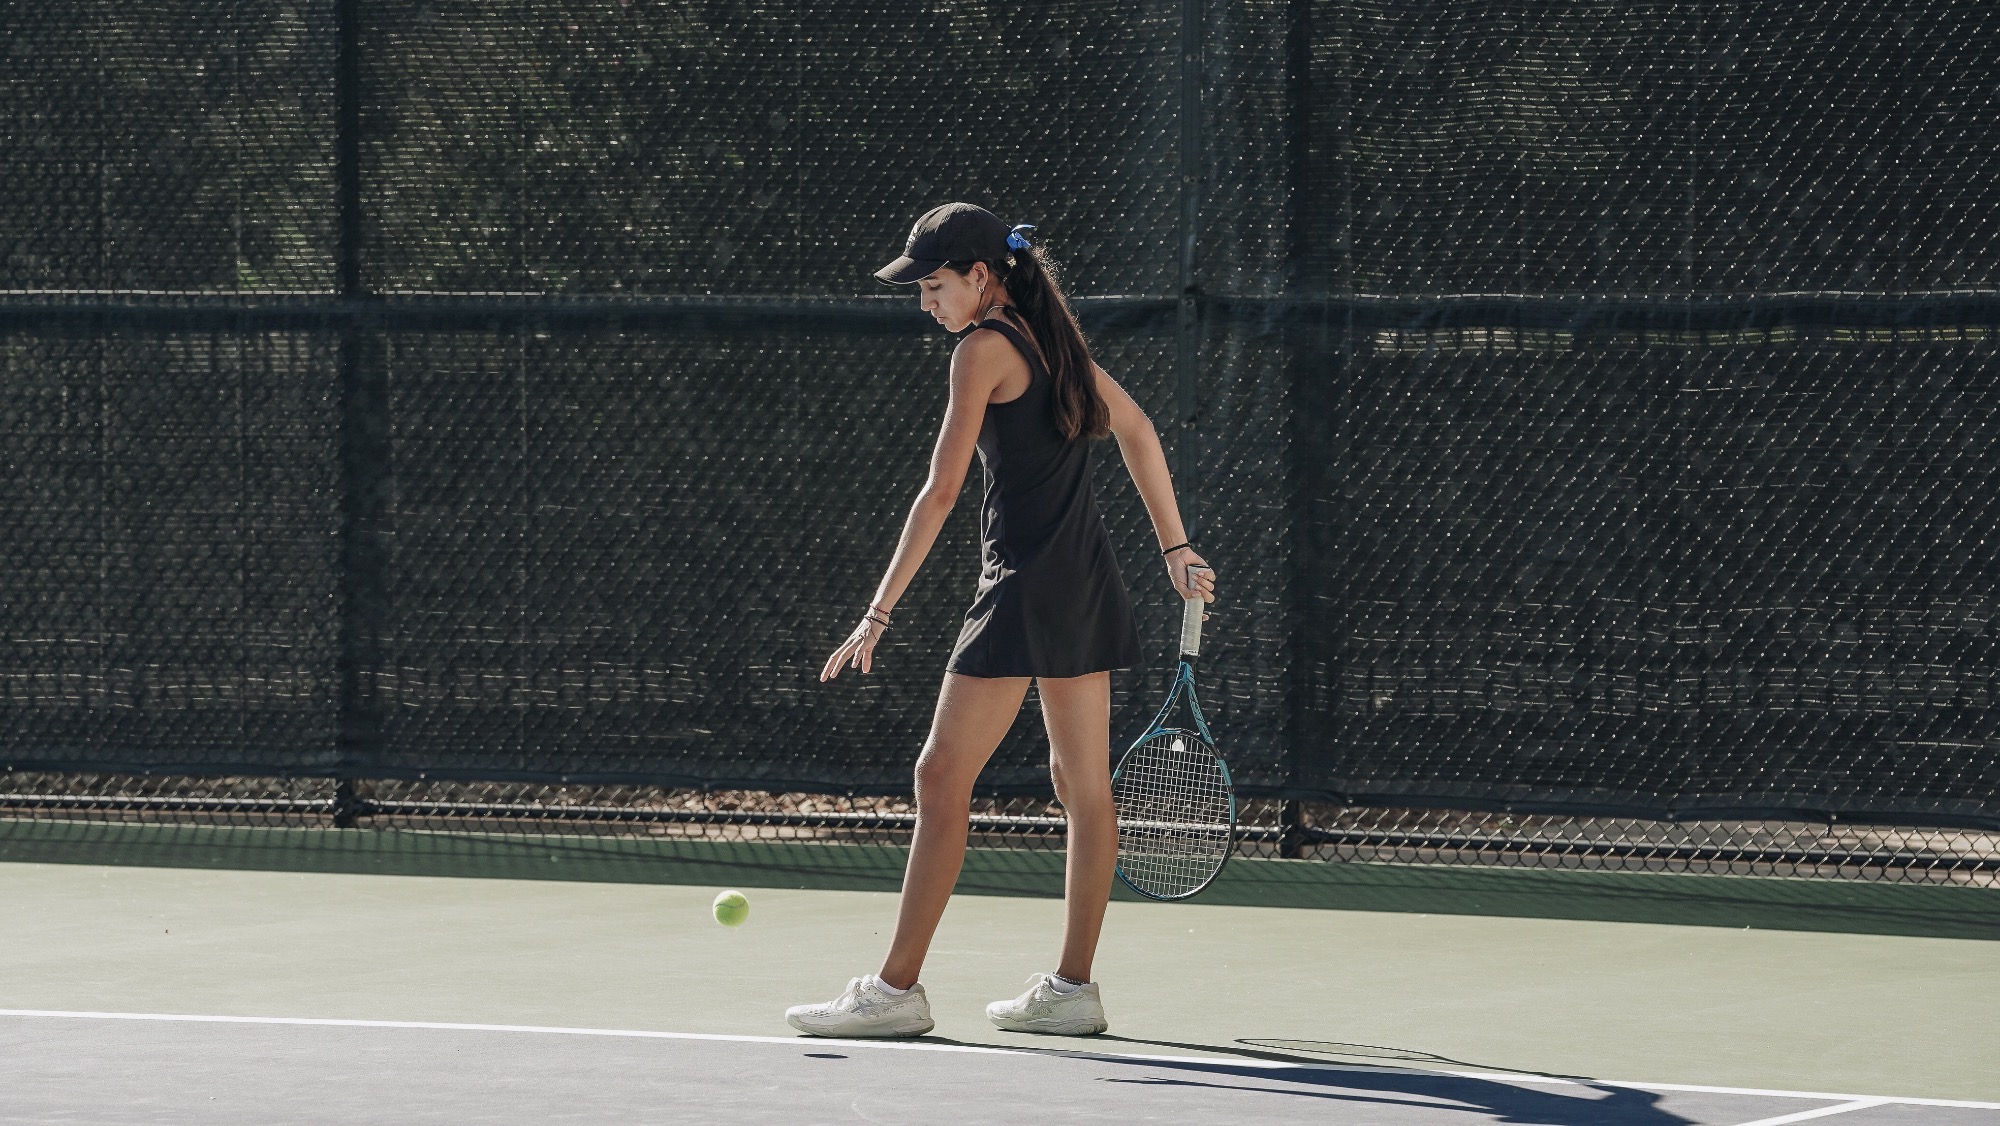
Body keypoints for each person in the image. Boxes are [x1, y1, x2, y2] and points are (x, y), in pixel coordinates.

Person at [785, 203, 1217, 1039]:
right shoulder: (1050, 340)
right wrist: (1175, 545)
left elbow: (941, 491)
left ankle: (896, 991)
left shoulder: (981, 350)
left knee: (941, 777)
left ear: (981, 277)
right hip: (1082, 581)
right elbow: (1138, 427)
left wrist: (878, 611)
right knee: (1082, 788)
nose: (925, 302)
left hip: (1024, 585)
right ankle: (1072, 988)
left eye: (936, 285)